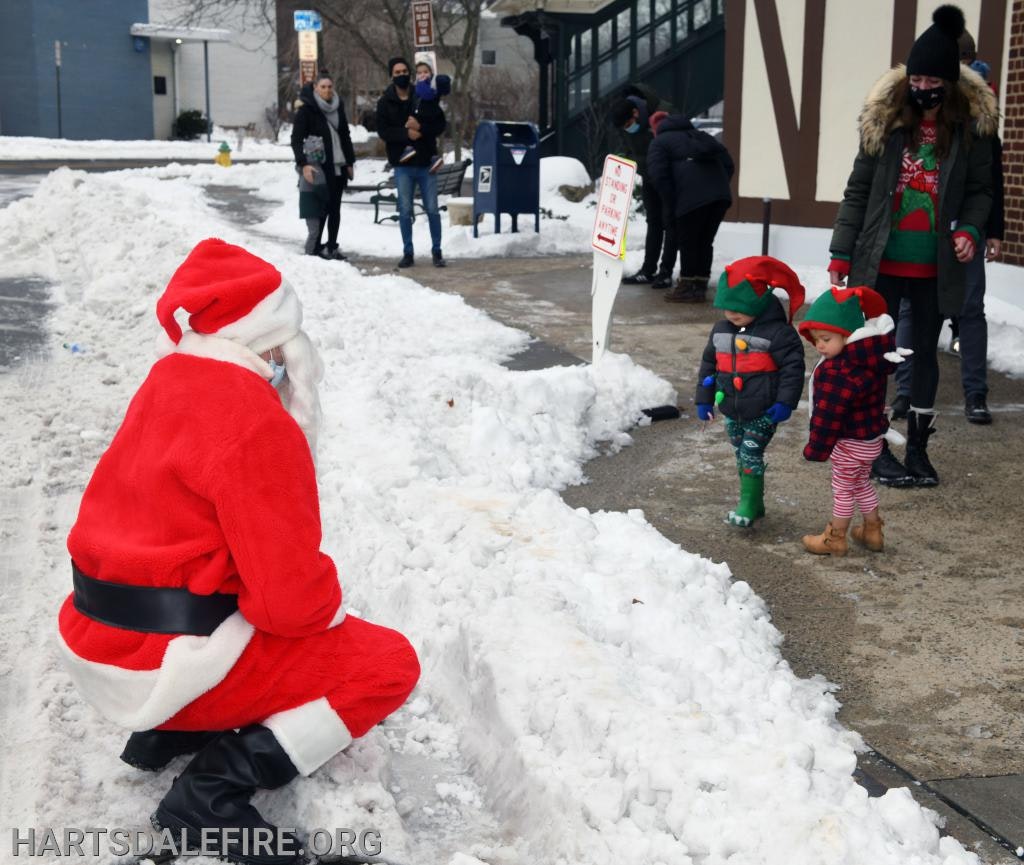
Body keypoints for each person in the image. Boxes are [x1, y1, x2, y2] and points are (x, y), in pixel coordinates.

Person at [58, 239, 420, 865]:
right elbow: (291, 608)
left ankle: (169, 730)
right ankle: (210, 793)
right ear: (270, 337)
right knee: (386, 663)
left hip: (101, 639)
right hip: (168, 661)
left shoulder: (167, 378)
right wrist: (327, 602)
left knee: (238, 594)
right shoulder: (254, 421)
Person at [827, 4, 995, 488]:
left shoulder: (970, 131)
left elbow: (983, 191)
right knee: (875, 357)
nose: (923, 89)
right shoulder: (886, 124)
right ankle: (874, 448)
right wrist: (841, 252)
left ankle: (918, 449)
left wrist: (970, 230)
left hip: (935, 266)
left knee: (924, 353)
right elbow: (857, 191)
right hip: (880, 261)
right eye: (916, 79)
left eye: (932, 81)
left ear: (950, 83)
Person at [890, 30, 1005, 426]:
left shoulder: (979, 112)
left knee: (970, 310)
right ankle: (905, 391)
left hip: (965, 231)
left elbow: (990, 179)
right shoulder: (908, 110)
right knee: (910, 312)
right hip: (921, 236)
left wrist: (991, 229)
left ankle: (976, 393)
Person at [695, 256, 805, 527]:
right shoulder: (720, 331)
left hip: (763, 411)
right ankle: (755, 502)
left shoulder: (778, 334)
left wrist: (785, 403)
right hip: (732, 409)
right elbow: (709, 365)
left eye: (739, 308)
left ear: (759, 303)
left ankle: (746, 504)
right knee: (740, 452)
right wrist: (704, 399)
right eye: (727, 307)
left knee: (750, 452)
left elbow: (792, 369)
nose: (731, 314)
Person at [798, 287, 909, 556]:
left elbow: (829, 414)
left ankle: (834, 538)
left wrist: (817, 448)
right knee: (861, 484)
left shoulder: (839, 370)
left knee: (843, 490)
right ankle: (872, 530)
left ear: (848, 335)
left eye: (826, 338)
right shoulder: (867, 359)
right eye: (816, 340)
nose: (820, 345)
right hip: (869, 440)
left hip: (848, 442)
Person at [645, 113, 734, 303]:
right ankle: (700, 284)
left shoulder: (660, 142)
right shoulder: (702, 136)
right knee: (704, 240)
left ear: (657, 129)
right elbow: (728, 164)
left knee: (688, 242)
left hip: (690, 197)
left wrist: (671, 200)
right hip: (719, 196)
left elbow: (658, 175)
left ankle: (687, 286)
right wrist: (716, 186)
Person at [376, 56, 447, 269]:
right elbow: (383, 131)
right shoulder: (384, 101)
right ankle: (408, 252)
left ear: (410, 73)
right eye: (397, 73)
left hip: (426, 163)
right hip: (403, 166)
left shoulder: (423, 94)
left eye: (404, 71)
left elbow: (440, 124)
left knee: (433, 209)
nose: (401, 76)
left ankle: (437, 251)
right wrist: (407, 134)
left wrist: (421, 129)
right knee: (405, 210)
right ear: (391, 75)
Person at [609, 84, 678, 289]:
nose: (628, 129)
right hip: (649, 177)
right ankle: (648, 270)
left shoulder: (664, 114)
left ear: (636, 112)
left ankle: (665, 272)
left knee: (670, 223)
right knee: (654, 222)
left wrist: (638, 161)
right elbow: (629, 151)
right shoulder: (625, 121)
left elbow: (673, 149)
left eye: (629, 123)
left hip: (669, 179)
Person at [291, 74, 357, 261]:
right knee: (321, 208)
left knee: (335, 208)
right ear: (315, 89)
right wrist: (303, 164)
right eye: (323, 87)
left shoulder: (338, 107)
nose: (327, 90)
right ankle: (317, 247)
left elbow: (345, 135)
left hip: (339, 166)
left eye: (329, 86)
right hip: (319, 167)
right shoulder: (307, 110)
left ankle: (332, 246)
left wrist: (349, 162)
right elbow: (296, 140)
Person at [397, 60, 450, 174]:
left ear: (431, 73)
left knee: (420, 130)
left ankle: (426, 154)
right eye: (419, 73)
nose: (422, 75)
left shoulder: (431, 86)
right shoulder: (415, 89)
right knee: (416, 132)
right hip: (420, 112)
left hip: (426, 112)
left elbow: (441, 86)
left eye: (425, 72)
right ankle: (420, 152)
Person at [296, 133, 330, 256]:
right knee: (314, 231)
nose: (320, 154)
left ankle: (311, 251)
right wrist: (328, 200)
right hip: (311, 203)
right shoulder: (314, 170)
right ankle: (309, 254)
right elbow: (319, 187)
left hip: (310, 203)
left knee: (314, 230)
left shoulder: (309, 168)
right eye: (317, 152)